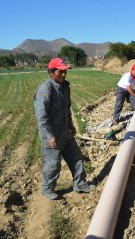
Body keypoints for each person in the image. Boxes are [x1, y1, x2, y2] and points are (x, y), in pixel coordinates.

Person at [34, 58, 95, 200]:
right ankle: (47, 189)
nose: (63, 74)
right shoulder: (45, 89)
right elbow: (41, 116)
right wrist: (49, 136)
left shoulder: (65, 87)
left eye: (65, 71)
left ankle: (80, 184)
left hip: (65, 131)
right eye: (60, 72)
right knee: (53, 163)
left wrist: (71, 125)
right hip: (51, 134)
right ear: (51, 72)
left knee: (76, 158)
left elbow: (66, 109)